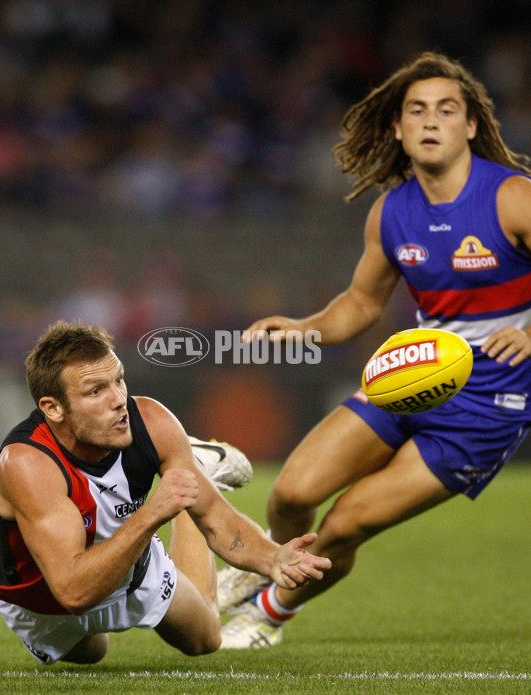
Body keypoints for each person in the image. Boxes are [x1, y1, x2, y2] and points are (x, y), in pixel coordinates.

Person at [217, 51, 531, 648]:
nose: (431, 121)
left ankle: (268, 614)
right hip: (415, 374)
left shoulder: (514, 198)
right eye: (417, 111)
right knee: (291, 493)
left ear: (470, 126)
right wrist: (303, 327)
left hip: (490, 405)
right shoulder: (392, 212)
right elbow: (360, 306)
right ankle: (267, 559)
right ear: (398, 127)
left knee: (346, 523)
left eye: (446, 110)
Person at [0, 320, 331, 665]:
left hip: (133, 566)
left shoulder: (152, 423)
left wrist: (272, 557)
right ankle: (186, 479)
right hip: (45, 601)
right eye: (95, 391)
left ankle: (189, 475)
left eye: (118, 380)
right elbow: (74, 592)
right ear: (53, 408)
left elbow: (217, 520)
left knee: (206, 637)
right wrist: (152, 513)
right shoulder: (27, 464)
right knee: (92, 653)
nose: (119, 400)